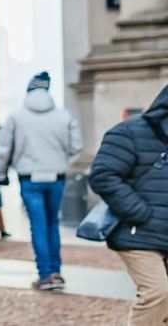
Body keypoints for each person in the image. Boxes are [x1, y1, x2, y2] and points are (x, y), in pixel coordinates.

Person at [0, 70, 83, 291]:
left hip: (29, 177)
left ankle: (45, 274)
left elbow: (3, 148)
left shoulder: (16, 117)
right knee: (53, 223)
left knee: (39, 225)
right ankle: (55, 272)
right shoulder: (64, 116)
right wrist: (62, 161)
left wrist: (0, 172)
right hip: (56, 177)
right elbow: (77, 147)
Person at [89, 85, 168, 325]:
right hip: (138, 233)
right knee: (158, 293)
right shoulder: (130, 132)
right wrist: (139, 213)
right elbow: (103, 175)